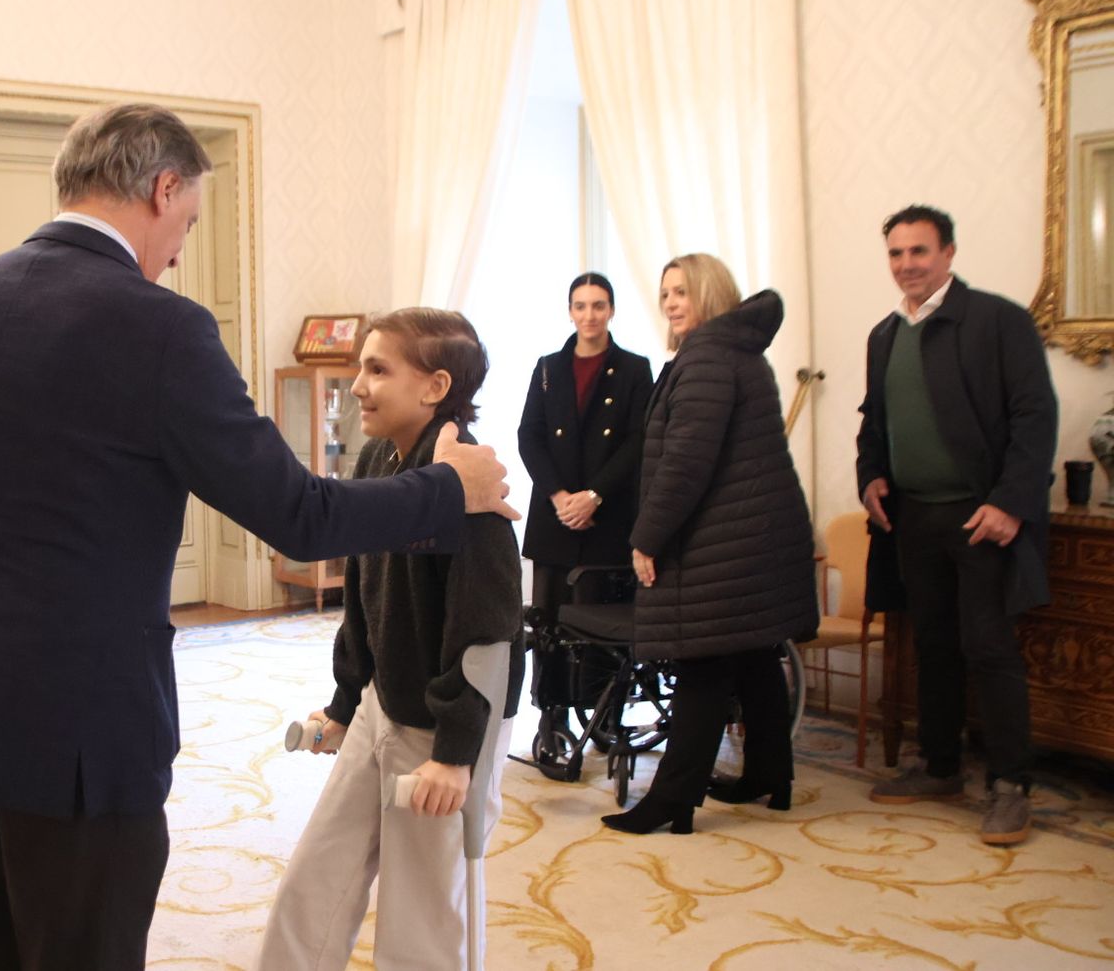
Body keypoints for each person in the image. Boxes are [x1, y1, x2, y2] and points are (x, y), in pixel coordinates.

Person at [0, 103, 517, 971]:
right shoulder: (159, 326)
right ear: (164, 188)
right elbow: (299, 514)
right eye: (188, 223)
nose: (178, 251)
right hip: (81, 733)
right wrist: (449, 487)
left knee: (8, 948)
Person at [256, 308, 524, 971]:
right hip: (385, 701)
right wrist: (347, 700)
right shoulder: (378, 459)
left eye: (377, 369)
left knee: (422, 920)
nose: (356, 386)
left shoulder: (472, 483)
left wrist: (457, 756)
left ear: (435, 386)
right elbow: (366, 594)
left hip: (446, 725)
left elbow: (488, 638)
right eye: (359, 368)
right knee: (313, 882)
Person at [856, 204, 1057, 846]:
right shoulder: (885, 335)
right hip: (914, 518)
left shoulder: (998, 321)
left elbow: (1035, 416)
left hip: (982, 517)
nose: (907, 264)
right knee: (933, 647)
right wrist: (871, 476)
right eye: (896, 253)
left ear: (948, 253)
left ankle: (1009, 786)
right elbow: (873, 423)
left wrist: (1010, 503)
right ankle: (941, 768)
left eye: (919, 251)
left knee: (989, 649)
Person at [603, 254, 817, 835]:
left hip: (727, 539)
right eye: (665, 292)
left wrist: (647, 536)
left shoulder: (707, 358)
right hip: (753, 535)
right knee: (752, 655)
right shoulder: (736, 352)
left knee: (702, 663)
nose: (671, 303)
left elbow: (685, 463)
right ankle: (771, 774)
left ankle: (672, 798)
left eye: (683, 292)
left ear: (711, 295)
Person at [517, 272, 652, 728]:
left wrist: (594, 496)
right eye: (581, 305)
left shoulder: (635, 368)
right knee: (551, 623)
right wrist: (560, 496)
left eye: (598, 305)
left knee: (602, 624)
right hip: (555, 517)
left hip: (607, 517)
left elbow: (639, 440)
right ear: (570, 311)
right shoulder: (548, 368)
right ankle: (551, 717)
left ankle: (607, 716)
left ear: (611, 310)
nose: (589, 314)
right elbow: (529, 436)